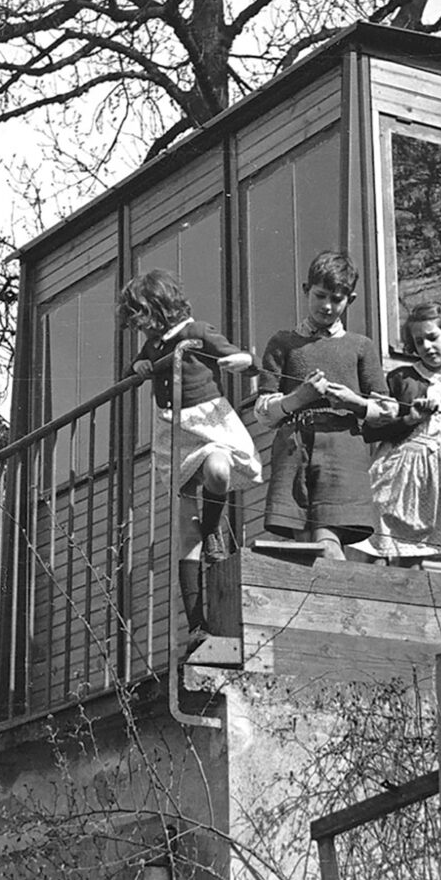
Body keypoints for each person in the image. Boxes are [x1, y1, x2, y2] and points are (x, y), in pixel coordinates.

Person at [120, 269, 262, 644]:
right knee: (186, 529)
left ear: (161, 307)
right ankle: (197, 623)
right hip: (174, 429)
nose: (139, 326)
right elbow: (131, 369)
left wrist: (241, 360)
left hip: (207, 422)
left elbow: (236, 354)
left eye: (142, 316)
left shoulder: (194, 331)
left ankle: (213, 525)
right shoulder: (153, 344)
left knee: (218, 468)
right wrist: (138, 366)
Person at [255, 251, 393, 560]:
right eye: (320, 295)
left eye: (337, 298)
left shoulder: (360, 346)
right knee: (305, 545)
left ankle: (345, 605)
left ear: (350, 299)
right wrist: (298, 398)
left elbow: (388, 410)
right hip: (295, 448)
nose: (327, 306)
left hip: (342, 448)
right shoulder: (283, 342)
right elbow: (263, 411)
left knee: (327, 541)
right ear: (306, 290)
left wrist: (354, 402)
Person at [365, 302, 441, 566]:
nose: (427, 347)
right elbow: (372, 429)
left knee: (417, 549)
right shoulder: (402, 378)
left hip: (439, 472)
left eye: (433, 338)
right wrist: (410, 418)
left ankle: (407, 602)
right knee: (383, 544)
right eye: (419, 342)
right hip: (400, 469)